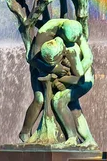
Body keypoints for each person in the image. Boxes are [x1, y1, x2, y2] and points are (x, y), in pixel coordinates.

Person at [19, 19, 96, 147]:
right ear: (60, 31)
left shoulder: (72, 43)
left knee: (60, 102)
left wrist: (66, 78)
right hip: (42, 70)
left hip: (79, 77)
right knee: (42, 100)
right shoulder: (45, 33)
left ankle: (73, 138)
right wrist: (54, 69)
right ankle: (25, 132)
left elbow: (84, 68)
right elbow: (32, 59)